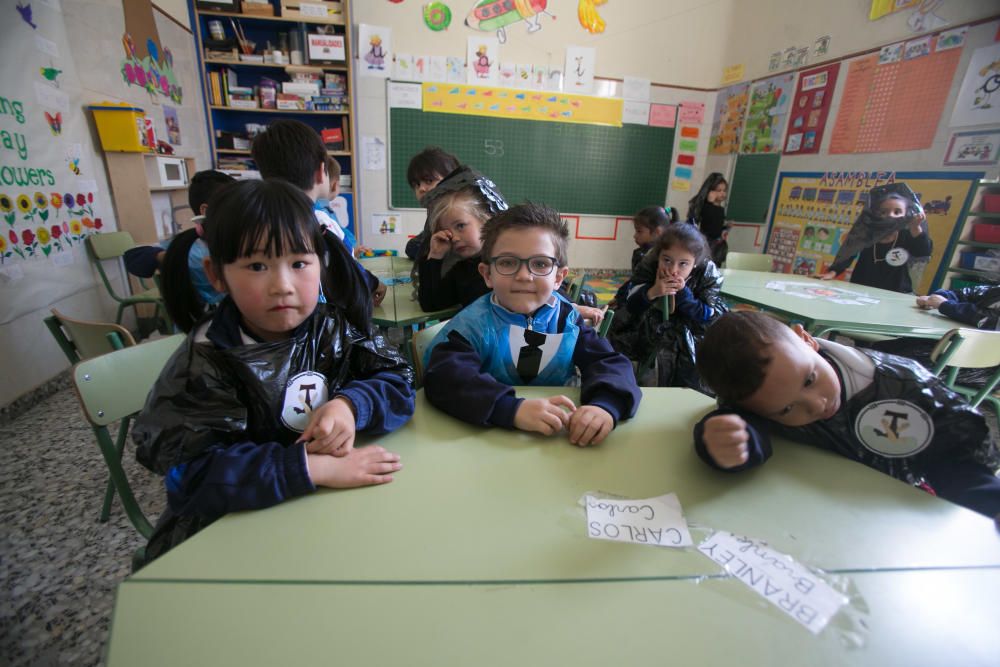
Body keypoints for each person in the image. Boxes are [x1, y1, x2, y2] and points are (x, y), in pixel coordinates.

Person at [133, 179, 415, 562]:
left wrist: (349, 405)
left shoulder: (328, 326)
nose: (282, 286)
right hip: (235, 534)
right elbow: (194, 478)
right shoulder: (204, 361)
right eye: (257, 265)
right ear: (216, 275)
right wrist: (311, 468)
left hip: (322, 517)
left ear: (321, 263)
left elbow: (398, 377)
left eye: (298, 264)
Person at [692, 311, 1000, 518]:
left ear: (806, 340)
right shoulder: (768, 393)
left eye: (810, 380)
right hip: (828, 515)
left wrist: (986, 500)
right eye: (786, 410)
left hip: (902, 512)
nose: (816, 404)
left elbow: (956, 458)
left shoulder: (905, 387)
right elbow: (738, 419)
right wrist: (728, 440)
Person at [423, 203, 641, 446]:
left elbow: (606, 361)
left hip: (559, 439)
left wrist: (605, 406)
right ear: (486, 274)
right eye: (507, 262)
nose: (524, 276)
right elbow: (445, 379)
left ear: (559, 277)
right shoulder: (471, 327)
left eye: (540, 264)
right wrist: (512, 409)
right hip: (486, 438)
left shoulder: (566, 318)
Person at [251, 119, 385, 304]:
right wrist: (374, 283)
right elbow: (348, 269)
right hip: (326, 315)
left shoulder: (260, 220)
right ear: (321, 171)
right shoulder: (320, 220)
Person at [620, 222, 727, 390]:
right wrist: (652, 292)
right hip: (649, 332)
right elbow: (629, 305)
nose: (673, 269)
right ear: (659, 256)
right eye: (667, 260)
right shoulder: (648, 266)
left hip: (690, 333)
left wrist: (683, 293)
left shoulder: (706, 274)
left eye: (683, 264)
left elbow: (705, 314)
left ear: (696, 263)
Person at [123, 169, 235, 309]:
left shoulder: (238, 240)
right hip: (206, 322)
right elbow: (133, 257)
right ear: (205, 211)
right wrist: (168, 257)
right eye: (235, 206)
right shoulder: (189, 246)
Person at [417, 165, 508, 312]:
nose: (454, 238)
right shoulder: (463, 270)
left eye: (460, 226)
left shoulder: (508, 265)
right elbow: (431, 304)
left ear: (486, 221)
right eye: (446, 231)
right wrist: (435, 256)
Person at [817, 183, 931, 293]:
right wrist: (833, 272)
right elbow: (848, 252)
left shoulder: (907, 234)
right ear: (875, 213)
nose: (890, 215)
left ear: (906, 213)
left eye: (897, 211)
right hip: (862, 288)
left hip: (896, 291)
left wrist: (915, 228)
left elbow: (922, 252)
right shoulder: (867, 232)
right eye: (883, 212)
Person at [404, 147, 461, 260]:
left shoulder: (460, 213)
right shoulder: (435, 213)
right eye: (417, 184)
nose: (421, 189)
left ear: (452, 180)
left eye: (429, 181)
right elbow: (412, 246)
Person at [687, 173, 729, 266]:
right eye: (719, 190)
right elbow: (708, 226)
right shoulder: (705, 207)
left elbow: (717, 228)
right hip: (706, 247)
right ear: (710, 192)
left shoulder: (719, 209)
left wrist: (725, 227)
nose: (723, 193)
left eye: (724, 190)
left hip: (717, 248)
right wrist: (710, 204)